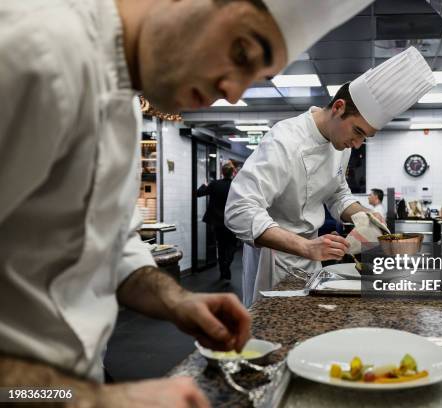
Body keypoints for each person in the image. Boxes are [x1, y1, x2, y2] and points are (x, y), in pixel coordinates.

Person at [0, 0, 374, 405]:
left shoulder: (122, 95)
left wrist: (177, 301)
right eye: (240, 52)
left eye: (255, 76)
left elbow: (110, 241)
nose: (232, 95)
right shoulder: (31, 52)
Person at [226, 47, 436, 306]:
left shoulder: (340, 144)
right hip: (274, 257)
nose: (357, 144)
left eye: (365, 137)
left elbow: (337, 192)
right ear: (338, 107)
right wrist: (304, 247)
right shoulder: (284, 140)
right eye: (357, 132)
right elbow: (239, 210)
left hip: (313, 253)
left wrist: (362, 216)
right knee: (274, 330)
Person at [198, 162, 238, 280]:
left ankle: (222, 271)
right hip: (231, 221)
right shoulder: (236, 185)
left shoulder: (214, 184)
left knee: (221, 246)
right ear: (233, 173)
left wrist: (204, 185)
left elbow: (198, 193)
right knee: (232, 245)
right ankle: (227, 265)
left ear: (222, 172)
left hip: (217, 222)